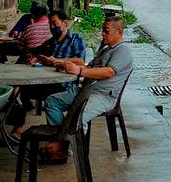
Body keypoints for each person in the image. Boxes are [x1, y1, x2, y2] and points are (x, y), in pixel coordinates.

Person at [41, 16, 134, 161]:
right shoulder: (105, 49)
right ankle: (60, 141)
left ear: (119, 32)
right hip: (86, 90)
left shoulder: (123, 51)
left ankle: (64, 147)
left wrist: (79, 71)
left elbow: (108, 72)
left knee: (78, 116)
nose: (103, 34)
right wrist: (67, 66)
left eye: (106, 31)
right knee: (52, 101)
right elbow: (89, 67)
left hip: (103, 96)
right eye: (102, 30)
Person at [9, 10, 86, 138]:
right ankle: (17, 129)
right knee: (20, 90)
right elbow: (38, 53)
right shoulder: (51, 42)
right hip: (47, 81)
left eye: (54, 23)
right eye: (49, 24)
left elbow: (81, 61)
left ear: (64, 23)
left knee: (24, 91)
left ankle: (57, 136)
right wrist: (35, 59)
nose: (52, 27)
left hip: (64, 84)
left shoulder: (75, 39)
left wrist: (56, 61)